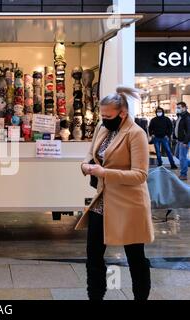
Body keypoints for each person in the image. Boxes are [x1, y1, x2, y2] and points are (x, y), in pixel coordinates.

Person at [76, 86, 154, 301]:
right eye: (101, 115)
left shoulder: (136, 133)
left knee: (135, 258)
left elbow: (140, 175)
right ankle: (95, 297)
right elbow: (91, 154)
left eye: (108, 116)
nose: (104, 119)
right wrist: (85, 165)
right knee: (93, 256)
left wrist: (105, 172)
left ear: (123, 113)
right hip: (103, 202)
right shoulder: (103, 128)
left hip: (130, 205)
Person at [174, 102, 190, 180]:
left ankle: (183, 174)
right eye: (177, 107)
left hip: (184, 141)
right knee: (177, 155)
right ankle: (187, 164)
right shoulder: (180, 116)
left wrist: (186, 142)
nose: (177, 109)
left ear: (184, 107)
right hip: (179, 140)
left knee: (182, 157)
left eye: (179, 107)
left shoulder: (187, 117)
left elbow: (189, 131)